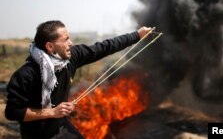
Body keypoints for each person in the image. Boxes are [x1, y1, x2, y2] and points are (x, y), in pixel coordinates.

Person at [4, 20, 152, 139]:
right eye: (66, 39)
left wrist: (137, 35)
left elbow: (105, 47)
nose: (71, 43)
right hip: (36, 134)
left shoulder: (71, 57)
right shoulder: (26, 75)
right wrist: (52, 112)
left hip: (60, 127)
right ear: (50, 46)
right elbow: (12, 112)